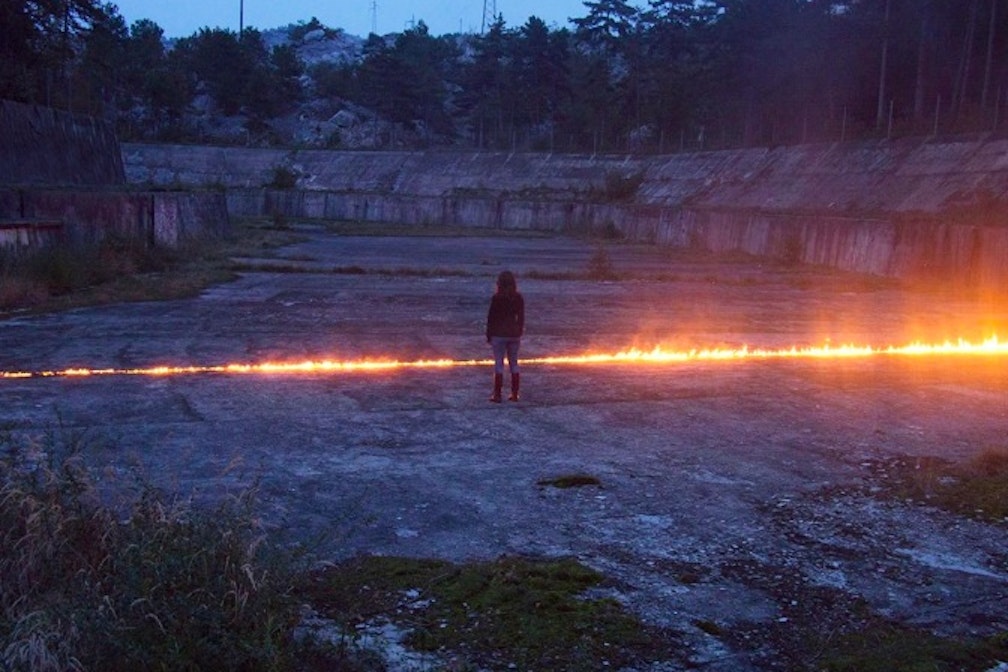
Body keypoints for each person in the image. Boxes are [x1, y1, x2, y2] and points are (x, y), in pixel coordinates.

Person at [485, 270, 525, 402]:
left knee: (499, 364)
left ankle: (497, 394)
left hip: (499, 334)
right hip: (514, 334)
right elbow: (521, 317)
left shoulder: (497, 298)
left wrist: (489, 334)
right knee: (514, 363)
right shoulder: (518, 298)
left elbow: (491, 317)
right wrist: (519, 330)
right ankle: (515, 394)